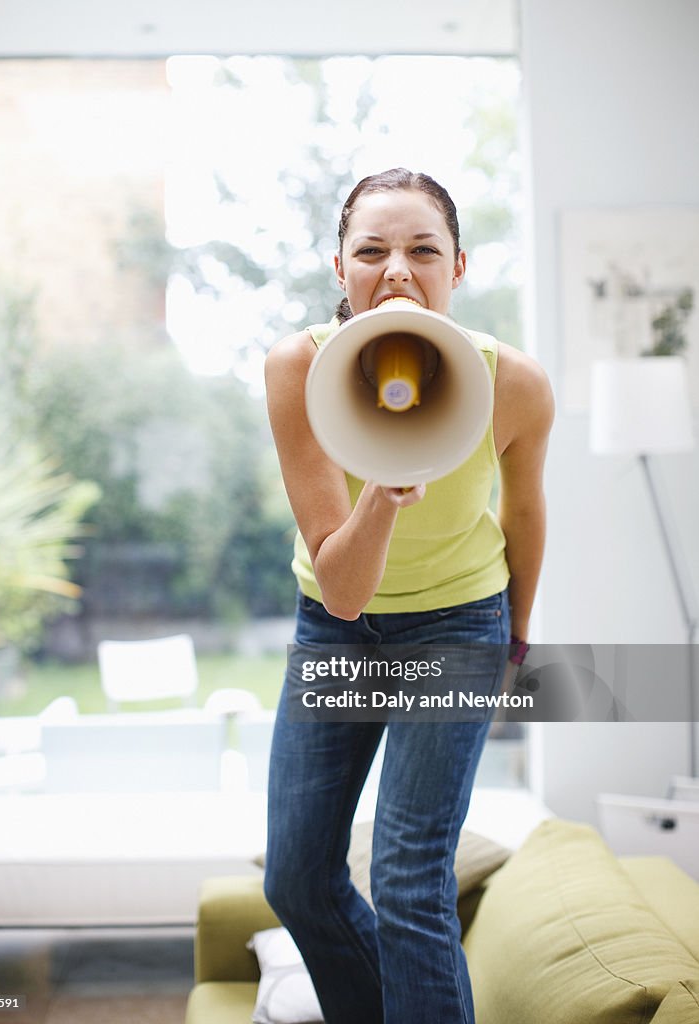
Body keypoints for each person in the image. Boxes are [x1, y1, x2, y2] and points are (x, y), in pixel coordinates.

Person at [262, 167, 554, 1024]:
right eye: (372, 250)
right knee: (297, 879)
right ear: (340, 268)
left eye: (423, 249)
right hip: (336, 628)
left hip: (460, 624)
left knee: (409, 877)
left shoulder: (515, 384)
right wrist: (385, 488)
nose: (397, 269)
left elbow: (526, 510)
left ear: (457, 267)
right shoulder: (298, 371)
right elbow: (346, 592)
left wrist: (516, 638)